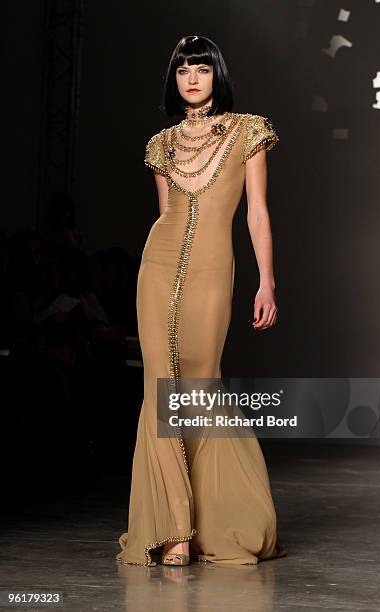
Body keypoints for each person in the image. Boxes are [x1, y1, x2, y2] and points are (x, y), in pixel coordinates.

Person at [116, 34, 286, 567]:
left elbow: (256, 211)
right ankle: (174, 528)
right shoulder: (161, 144)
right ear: (175, 79)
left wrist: (267, 281)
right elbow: (166, 214)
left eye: (202, 69)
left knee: (198, 381)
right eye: (183, 70)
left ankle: (223, 516)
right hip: (157, 265)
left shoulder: (246, 131)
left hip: (214, 268)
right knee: (158, 386)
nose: (192, 78)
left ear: (218, 76)